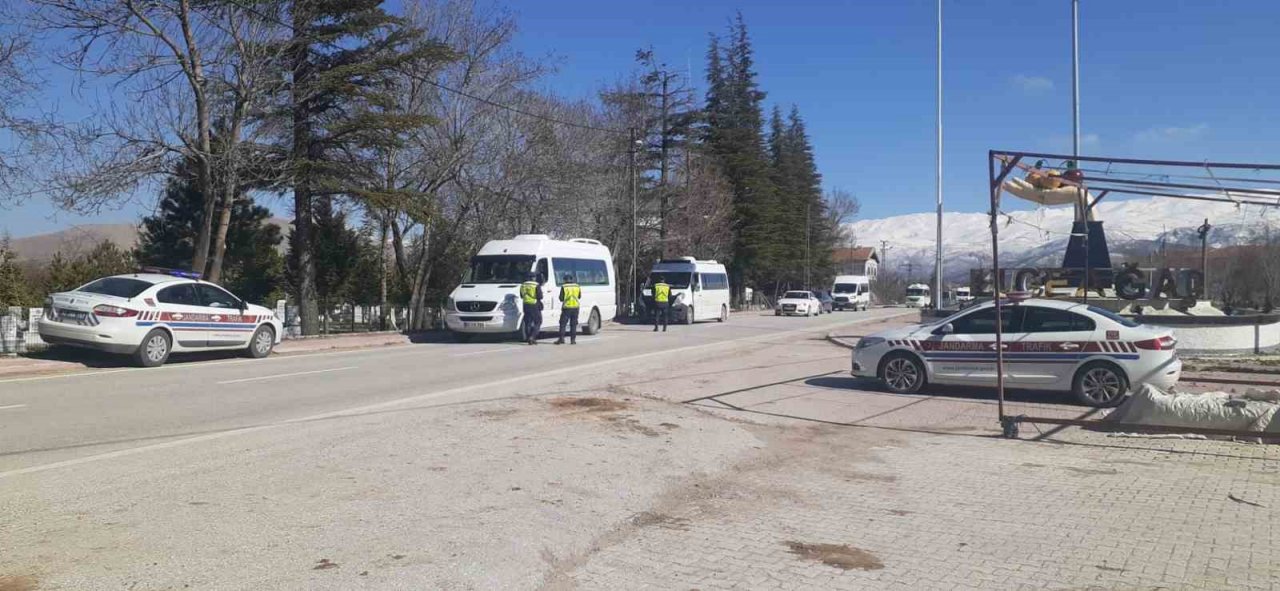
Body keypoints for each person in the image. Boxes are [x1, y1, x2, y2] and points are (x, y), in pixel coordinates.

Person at [555, 273, 581, 345]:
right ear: (572, 279)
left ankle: (561, 339)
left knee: (563, 323)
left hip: (567, 307)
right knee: (573, 324)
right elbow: (579, 296)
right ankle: (573, 340)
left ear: (565, 280)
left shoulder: (564, 286)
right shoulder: (577, 286)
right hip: (575, 307)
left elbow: (561, 298)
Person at [519, 271, 543, 345]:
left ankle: (529, 338)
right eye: (534, 277)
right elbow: (540, 296)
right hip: (534, 304)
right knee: (538, 321)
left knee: (528, 322)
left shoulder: (523, 285)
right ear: (533, 278)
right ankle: (532, 337)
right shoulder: (536, 285)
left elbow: (521, 296)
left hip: (526, 305)